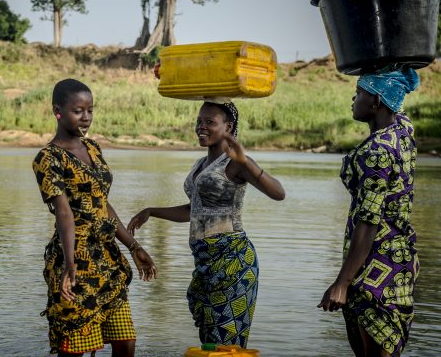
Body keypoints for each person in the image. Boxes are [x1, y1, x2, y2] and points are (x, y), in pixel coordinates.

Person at [128, 101, 285, 347]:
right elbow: (195, 211)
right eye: (199, 121)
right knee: (209, 341)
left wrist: (247, 163)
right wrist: (152, 211)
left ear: (228, 127)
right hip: (205, 261)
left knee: (226, 343)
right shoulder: (201, 164)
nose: (201, 127)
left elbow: (278, 193)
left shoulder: (235, 163)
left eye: (209, 122)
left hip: (232, 259)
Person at [32, 78, 158, 357]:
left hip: (107, 259)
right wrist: (69, 263)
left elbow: (102, 204)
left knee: (126, 342)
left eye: (90, 110)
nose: (86, 117)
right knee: (75, 344)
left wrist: (134, 246)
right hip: (75, 258)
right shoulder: (48, 158)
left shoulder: (94, 149)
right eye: (78, 110)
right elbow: (64, 213)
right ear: (58, 111)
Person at [318, 68, 420, 357]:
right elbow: (397, 109)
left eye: (360, 92)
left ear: (376, 102)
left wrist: (342, 283)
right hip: (400, 260)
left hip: (375, 270)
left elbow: (368, 221)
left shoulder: (377, 151)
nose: (354, 97)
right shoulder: (403, 131)